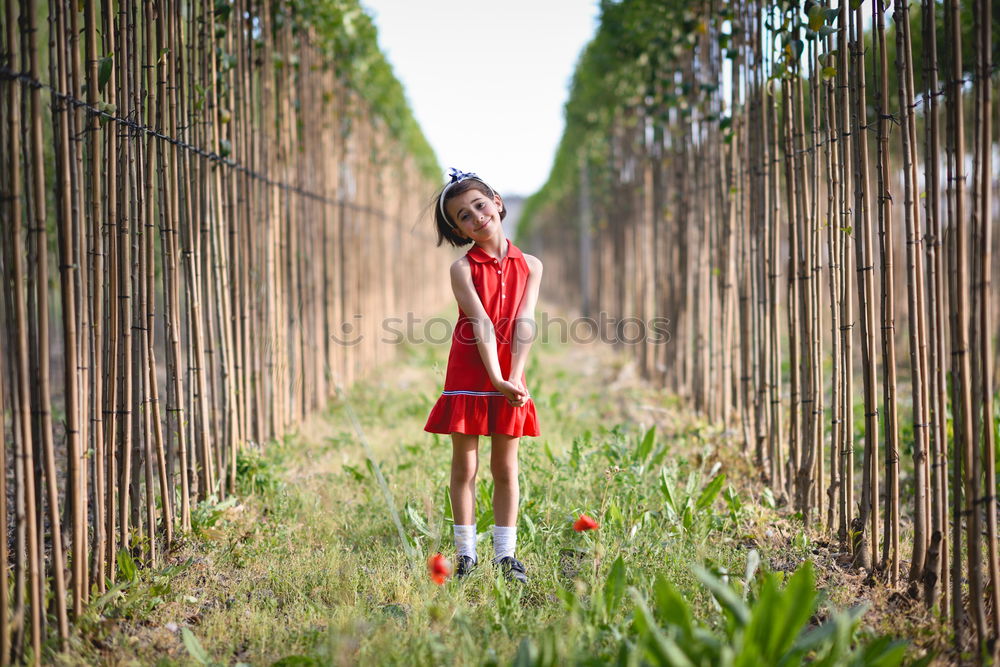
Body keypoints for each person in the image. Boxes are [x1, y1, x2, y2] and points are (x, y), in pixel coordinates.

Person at [424, 169, 543, 583]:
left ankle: (506, 557)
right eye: (463, 216)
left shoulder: (530, 265)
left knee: (506, 469)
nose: (476, 217)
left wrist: (515, 377)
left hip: (510, 374)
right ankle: (466, 555)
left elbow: (524, 322)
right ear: (458, 230)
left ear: (496, 200)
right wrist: (494, 377)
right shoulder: (462, 269)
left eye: (479, 205)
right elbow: (482, 325)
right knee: (465, 468)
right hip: (472, 372)